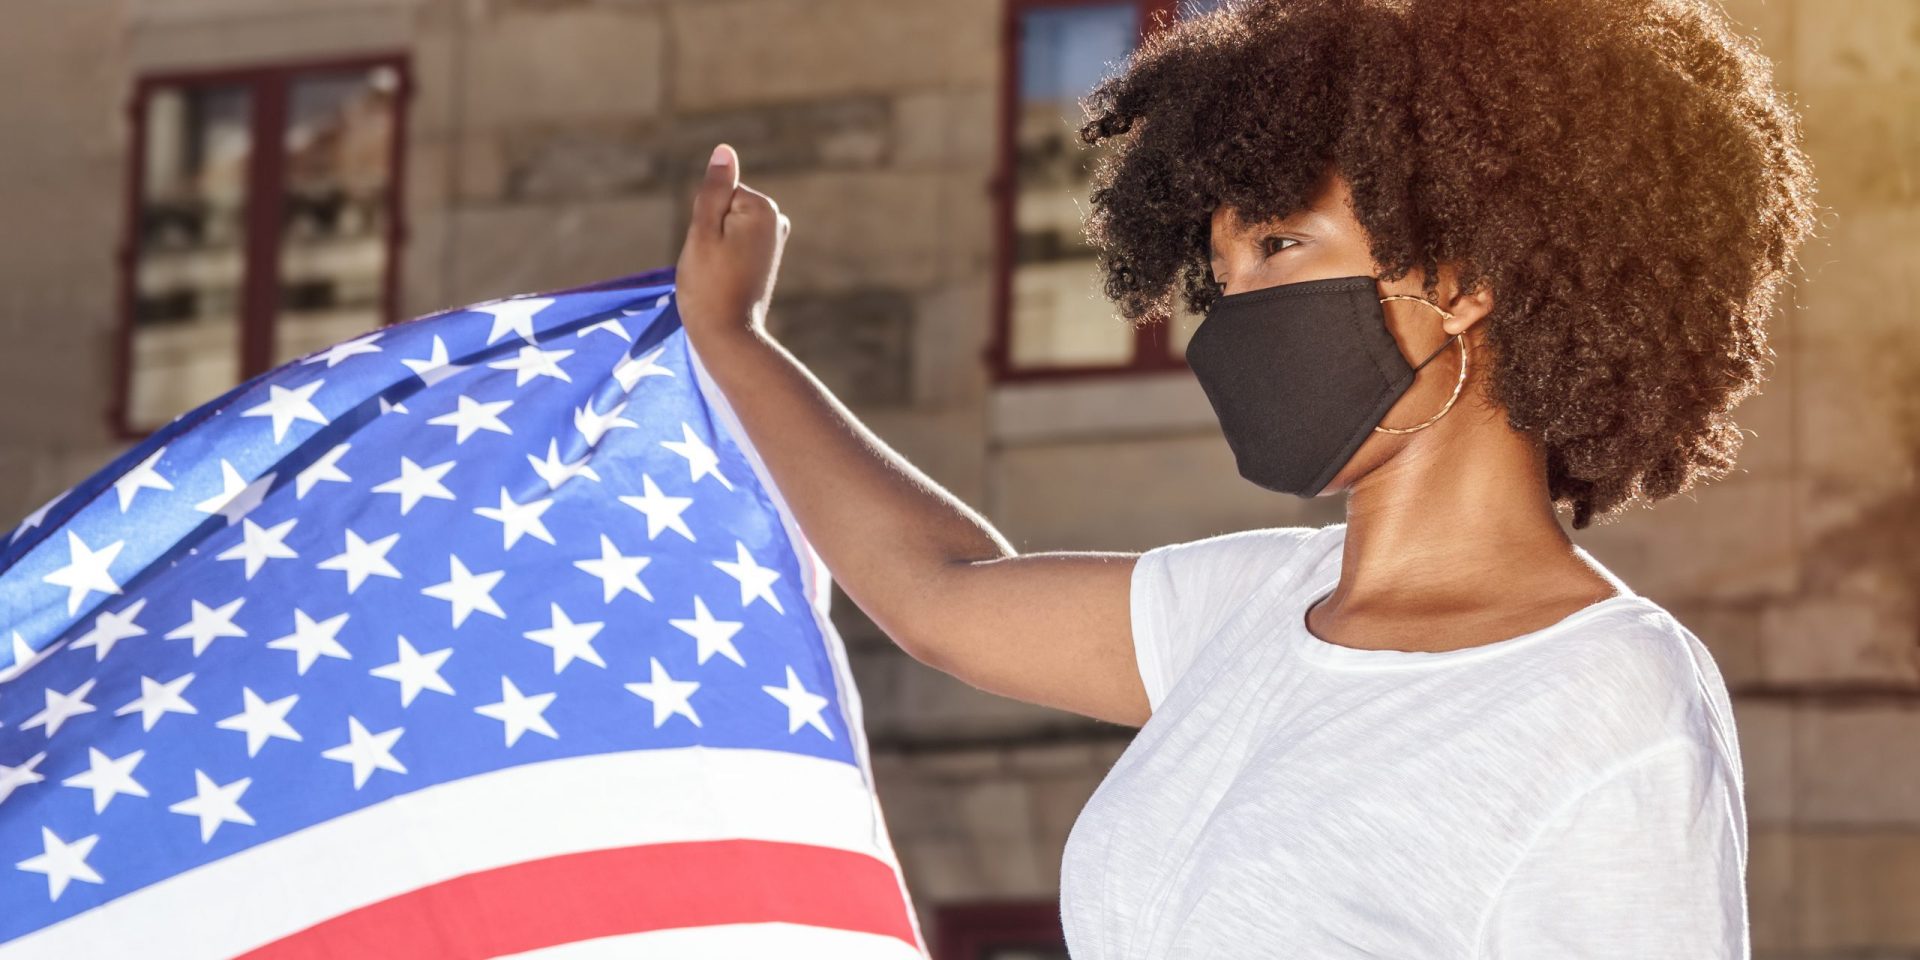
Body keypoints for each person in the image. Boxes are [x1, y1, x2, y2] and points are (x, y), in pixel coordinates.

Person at [670, 0, 1817, 954]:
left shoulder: (1609, 696)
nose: (1235, 317)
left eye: (1279, 246)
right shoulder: (1256, 609)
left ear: (1465, 270)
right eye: (1217, 273)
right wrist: (733, 337)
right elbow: (940, 591)